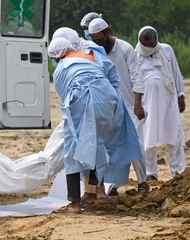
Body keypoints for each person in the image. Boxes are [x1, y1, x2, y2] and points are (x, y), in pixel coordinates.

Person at [49, 37, 119, 213]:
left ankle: (74, 204)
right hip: (107, 98)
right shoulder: (89, 56)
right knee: (98, 144)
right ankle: (97, 193)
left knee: (71, 151)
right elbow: (110, 74)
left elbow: (66, 99)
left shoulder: (61, 70)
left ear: (57, 57)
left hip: (83, 99)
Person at [88, 18, 150, 195]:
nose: (97, 43)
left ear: (108, 32)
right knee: (107, 145)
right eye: (94, 40)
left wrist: (138, 104)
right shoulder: (95, 51)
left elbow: (137, 77)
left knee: (134, 144)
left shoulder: (125, 48)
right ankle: (111, 185)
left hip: (130, 106)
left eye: (99, 39)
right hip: (107, 107)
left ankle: (143, 182)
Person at [132, 26, 186, 181]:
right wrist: (137, 104)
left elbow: (176, 73)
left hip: (169, 101)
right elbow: (134, 81)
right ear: (141, 42)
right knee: (149, 137)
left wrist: (180, 95)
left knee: (174, 134)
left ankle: (178, 172)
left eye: (152, 44)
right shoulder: (136, 56)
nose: (149, 47)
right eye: (146, 45)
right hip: (148, 103)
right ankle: (151, 173)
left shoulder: (166, 50)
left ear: (156, 40)